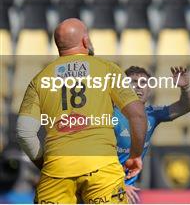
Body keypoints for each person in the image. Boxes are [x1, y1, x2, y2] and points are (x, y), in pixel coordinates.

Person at [16, 18, 147, 204]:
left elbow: (24, 133)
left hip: (57, 169)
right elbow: (138, 115)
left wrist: (45, 163)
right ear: (85, 41)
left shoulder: (39, 79)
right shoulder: (107, 69)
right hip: (102, 168)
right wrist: (135, 156)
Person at [114, 65, 190, 204]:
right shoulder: (110, 114)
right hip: (105, 187)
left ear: (149, 89)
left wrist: (186, 88)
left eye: (143, 83)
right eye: (133, 82)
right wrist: (117, 185)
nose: (139, 87)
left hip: (127, 192)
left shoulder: (152, 114)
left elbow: (186, 106)